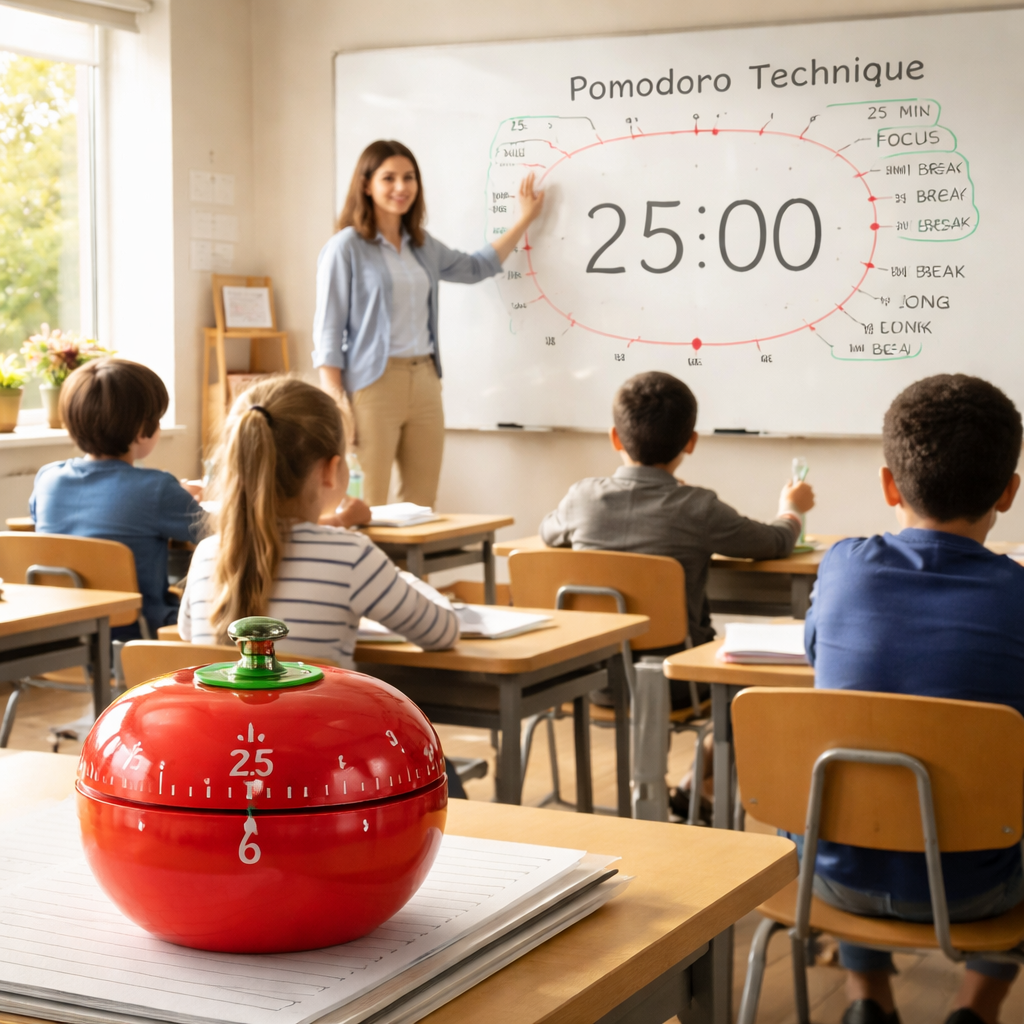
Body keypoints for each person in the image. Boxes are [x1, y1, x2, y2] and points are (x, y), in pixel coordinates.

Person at [804, 374, 1024, 1024]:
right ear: (1009, 494)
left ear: (888, 485)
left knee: (861, 762)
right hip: (983, 889)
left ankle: (866, 997)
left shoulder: (841, 569)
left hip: (831, 879)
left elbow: (822, 662)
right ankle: (976, 1008)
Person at [313, 139, 545, 508]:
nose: (401, 187)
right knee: (364, 502)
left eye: (409, 177)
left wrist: (525, 219)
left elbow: (477, 267)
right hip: (371, 386)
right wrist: (336, 401)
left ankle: (411, 570)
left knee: (420, 507)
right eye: (389, 178)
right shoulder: (346, 247)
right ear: (366, 184)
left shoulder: (422, 246)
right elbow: (328, 331)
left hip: (424, 381)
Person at [178, 375, 460, 670]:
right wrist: (399, 576)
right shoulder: (351, 557)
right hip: (318, 717)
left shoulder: (208, 553)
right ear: (331, 469)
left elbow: (188, 633)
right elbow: (443, 632)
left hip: (221, 718)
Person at [539, 370, 815, 650]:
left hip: (596, 673)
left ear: (615, 438)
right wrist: (791, 509)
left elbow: (548, 533)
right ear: (691, 442)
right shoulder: (698, 508)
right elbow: (775, 542)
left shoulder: (582, 498)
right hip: (681, 679)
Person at [30, 358, 203, 636]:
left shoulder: (48, 479)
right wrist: (182, 498)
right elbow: (219, 534)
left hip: (61, 636)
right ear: (140, 430)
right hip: (137, 635)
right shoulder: (157, 489)